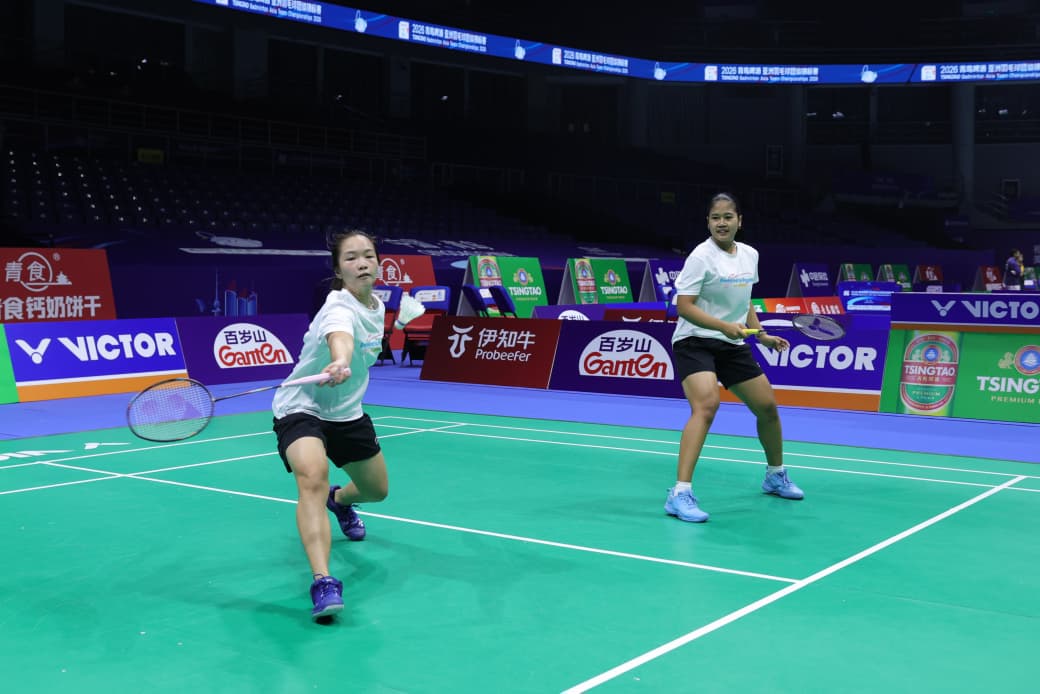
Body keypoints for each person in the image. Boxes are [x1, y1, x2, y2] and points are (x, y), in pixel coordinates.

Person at [665, 193, 804, 523]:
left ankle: (775, 475)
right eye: (715, 218)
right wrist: (724, 327)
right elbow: (684, 307)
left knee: (767, 407)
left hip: (731, 343)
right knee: (706, 405)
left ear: (739, 221)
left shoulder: (750, 255)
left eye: (728, 217)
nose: (722, 223)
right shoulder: (701, 257)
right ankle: (679, 493)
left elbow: (745, 300)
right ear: (708, 222)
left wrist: (762, 334)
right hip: (695, 341)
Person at [272, 230, 390, 619]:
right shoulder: (337, 306)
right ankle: (323, 581)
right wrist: (340, 358)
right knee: (312, 477)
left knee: (376, 491)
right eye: (351, 258)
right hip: (301, 406)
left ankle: (340, 502)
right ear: (338, 269)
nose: (362, 263)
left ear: (378, 263)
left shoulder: (377, 306)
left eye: (368, 255)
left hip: (347, 412)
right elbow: (341, 335)